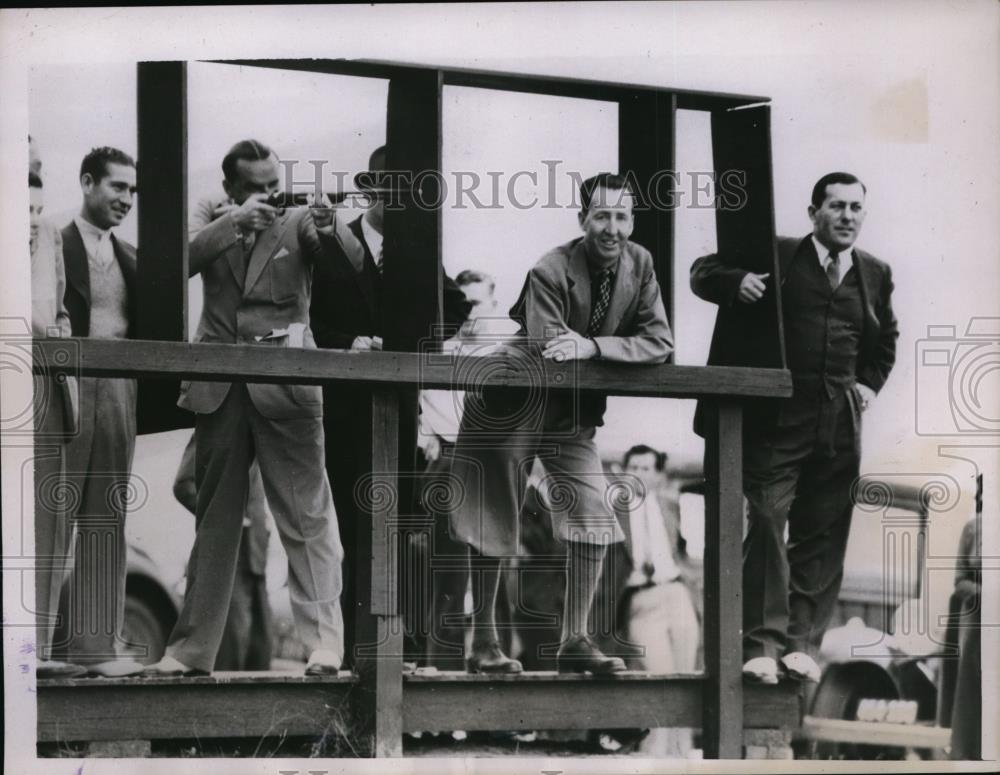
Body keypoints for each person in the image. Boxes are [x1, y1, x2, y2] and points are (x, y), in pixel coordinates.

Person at [145, 139, 359, 677]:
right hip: (219, 386)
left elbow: (348, 267)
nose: (270, 195)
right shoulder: (208, 216)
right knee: (214, 522)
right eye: (257, 188)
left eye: (274, 183)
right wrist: (234, 223)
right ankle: (191, 651)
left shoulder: (299, 219)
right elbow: (171, 265)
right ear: (231, 189)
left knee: (308, 516)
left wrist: (332, 228)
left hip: (287, 385)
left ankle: (324, 645)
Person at [448, 173, 674, 674]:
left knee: (595, 513)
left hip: (570, 412)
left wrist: (595, 346)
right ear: (582, 220)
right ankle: (483, 644)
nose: (612, 228)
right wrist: (594, 351)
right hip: (511, 402)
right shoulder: (550, 269)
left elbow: (660, 342)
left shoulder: (641, 264)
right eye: (601, 216)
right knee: (493, 517)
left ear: (632, 221)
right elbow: (553, 350)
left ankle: (575, 639)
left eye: (621, 216)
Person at [690, 172, 898, 685]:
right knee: (765, 516)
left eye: (855, 207)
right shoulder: (778, 254)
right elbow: (701, 271)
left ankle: (802, 643)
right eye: (836, 206)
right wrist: (734, 284)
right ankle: (760, 643)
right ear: (814, 213)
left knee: (823, 533)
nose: (847, 216)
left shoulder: (875, 272)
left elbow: (887, 338)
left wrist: (868, 386)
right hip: (778, 418)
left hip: (839, 423)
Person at [309, 146, 469, 669]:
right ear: (372, 188)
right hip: (341, 408)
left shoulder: (418, 248)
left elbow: (452, 309)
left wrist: (410, 344)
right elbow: (311, 322)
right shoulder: (335, 242)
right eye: (390, 189)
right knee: (353, 522)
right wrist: (352, 342)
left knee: (399, 523)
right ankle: (359, 652)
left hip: (398, 408)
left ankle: (399, 652)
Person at [53, 147, 144, 678]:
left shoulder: (132, 257)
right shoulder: (53, 247)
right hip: (64, 391)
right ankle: (36, 650)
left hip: (118, 395)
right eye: (117, 188)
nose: (126, 199)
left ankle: (96, 650)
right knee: (52, 517)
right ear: (88, 183)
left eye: (132, 191)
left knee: (107, 517)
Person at [418, 269, 518, 670]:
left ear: (493, 304)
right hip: (447, 460)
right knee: (450, 576)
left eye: (477, 304)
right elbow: (417, 405)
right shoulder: (437, 348)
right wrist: (423, 436)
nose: (470, 314)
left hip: (493, 461)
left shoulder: (507, 350)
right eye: (464, 305)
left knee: (495, 578)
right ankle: (440, 680)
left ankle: (495, 680)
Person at [594, 444, 702, 755]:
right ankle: (656, 757)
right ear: (623, 473)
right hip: (641, 599)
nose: (639, 474)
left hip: (677, 593)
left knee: (687, 679)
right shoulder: (612, 511)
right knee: (659, 678)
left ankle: (683, 755)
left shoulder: (670, 506)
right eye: (634, 468)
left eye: (646, 468)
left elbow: (681, 550)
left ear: (658, 475)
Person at [29, 170, 83, 679]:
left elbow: (61, 310)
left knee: (48, 518)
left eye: (36, 210)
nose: (29, 221)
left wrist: (58, 334)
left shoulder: (48, 236)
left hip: (43, 386)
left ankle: (40, 650)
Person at [172, 434, 273, 671]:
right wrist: (227, 517)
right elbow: (183, 485)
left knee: (260, 648)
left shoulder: (260, 430)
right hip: (227, 553)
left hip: (256, 554)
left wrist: (263, 525)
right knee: (229, 647)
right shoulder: (214, 424)